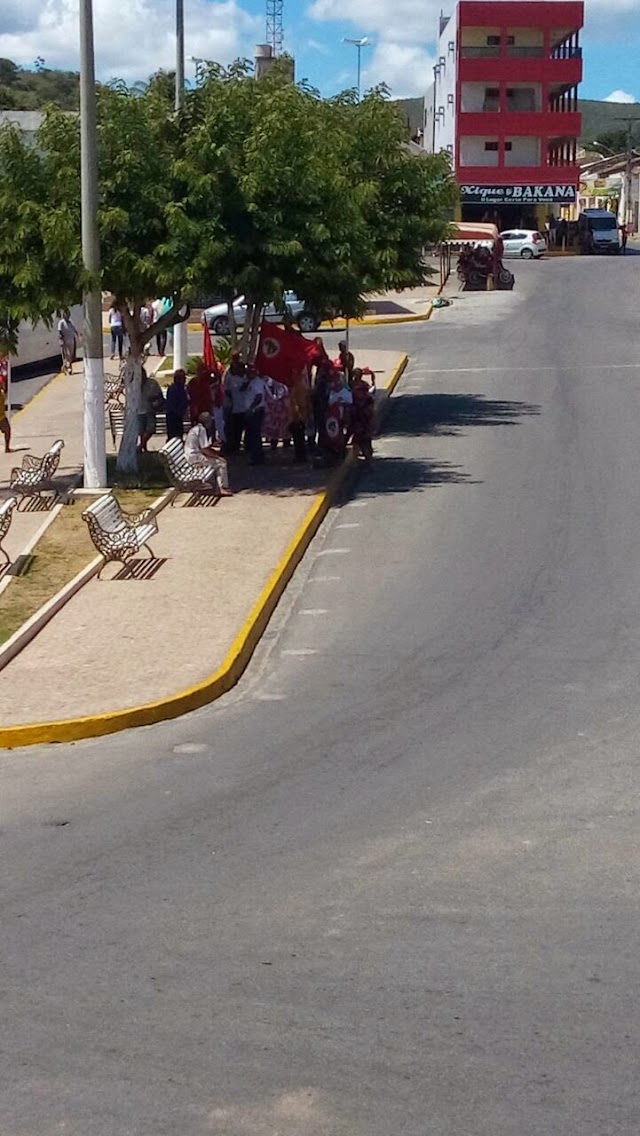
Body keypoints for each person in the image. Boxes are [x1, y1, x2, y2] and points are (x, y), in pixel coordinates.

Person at [184, 412, 231, 496]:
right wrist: (217, 456)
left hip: (192, 455)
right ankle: (222, 488)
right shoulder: (201, 430)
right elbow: (204, 449)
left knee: (217, 460)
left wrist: (214, 450)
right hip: (194, 457)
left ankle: (219, 486)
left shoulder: (196, 428)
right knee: (221, 463)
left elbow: (204, 446)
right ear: (207, 422)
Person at [243, 364, 268, 465]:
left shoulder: (257, 382)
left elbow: (259, 397)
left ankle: (257, 457)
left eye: (249, 372)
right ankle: (256, 455)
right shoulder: (251, 382)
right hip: (253, 411)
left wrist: (251, 408)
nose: (247, 374)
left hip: (256, 411)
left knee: (255, 435)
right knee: (252, 435)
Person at [349, 368, 375, 463]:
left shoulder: (351, 386)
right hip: (363, 418)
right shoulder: (365, 388)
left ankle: (356, 460)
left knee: (357, 439)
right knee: (365, 437)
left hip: (357, 418)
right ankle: (368, 456)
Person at [223, 355, 248, 455]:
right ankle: (232, 446)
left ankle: (241, 445)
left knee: (242, 428)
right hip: (234, 407)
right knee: (232, 428)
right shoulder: (230, 376)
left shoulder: (246, 378)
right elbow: (226, 390)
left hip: (244, 407)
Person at [138, 368, 164, 452]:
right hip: (139, 411)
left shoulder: (152, 383)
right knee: (142, 431)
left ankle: (140, 446)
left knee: (150, 430)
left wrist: (154, 400)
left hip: (150, 410)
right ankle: (143, 447)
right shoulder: (134, 384)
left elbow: (159, 396)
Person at [165, 368, 189, 440]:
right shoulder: (174, 389)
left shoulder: (180, 388)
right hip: (173, 414)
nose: (184, 380)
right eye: (183, 378)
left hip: (177, 414)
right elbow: (173, 402)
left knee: (178, 434)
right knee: (174, 434)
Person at [57, 309, 78, 374]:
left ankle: (64, 367)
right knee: (67, 355)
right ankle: (69, 368)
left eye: (69, 314)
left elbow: (74, 329)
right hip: (65, 341)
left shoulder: (70, 322)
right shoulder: (61, 322)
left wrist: (78, 335)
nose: (68, 316)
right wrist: (61, 340)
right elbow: (59, 332)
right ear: (64, 315)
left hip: (71, 341)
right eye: (67, 314)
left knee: (71, 355)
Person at [0, 378, 11, 452]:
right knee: (7, 430)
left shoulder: (2, 393)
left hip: (1, 417)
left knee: (7, 430)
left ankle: (7, 448)